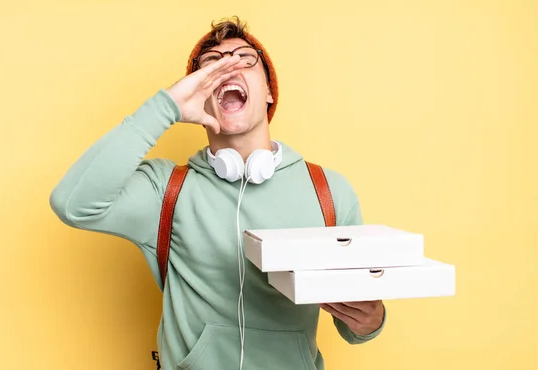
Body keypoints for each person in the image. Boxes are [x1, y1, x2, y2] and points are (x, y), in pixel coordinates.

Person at [50, 16, 386, 370]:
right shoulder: (166, 190)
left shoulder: (329, 192)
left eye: (244, 59)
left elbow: (356, 329)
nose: (228, 69)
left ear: (270, 91)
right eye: (211, 65)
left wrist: (371, 320)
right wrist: (166, 107)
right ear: (199, 97)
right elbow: (72, 203)